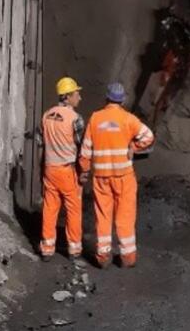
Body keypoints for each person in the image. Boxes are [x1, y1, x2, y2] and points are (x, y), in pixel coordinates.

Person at [79, 82, 155, 269]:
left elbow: (85, 150)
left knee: (103, 215)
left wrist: (84, 171)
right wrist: (134, 148)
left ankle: (103, 257)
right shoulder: (128, 119)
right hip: (124, 176)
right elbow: (148, 136)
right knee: (125, 215)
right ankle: (127, 257)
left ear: (107, 97)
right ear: (122, 100)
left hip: (102, 177)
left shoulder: (96, 118)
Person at [40, 77, 85, 261]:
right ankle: (74, 249)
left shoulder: (47, 115)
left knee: (50, 208)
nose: (79, 97)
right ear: (67, 96)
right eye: (76, 94)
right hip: (66, 170)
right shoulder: (75, 119)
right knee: (73, 208)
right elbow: (82, 146)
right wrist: (84, 170)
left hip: (49, 168)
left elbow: (39, 143)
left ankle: (47, 248)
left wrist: (40, 169)